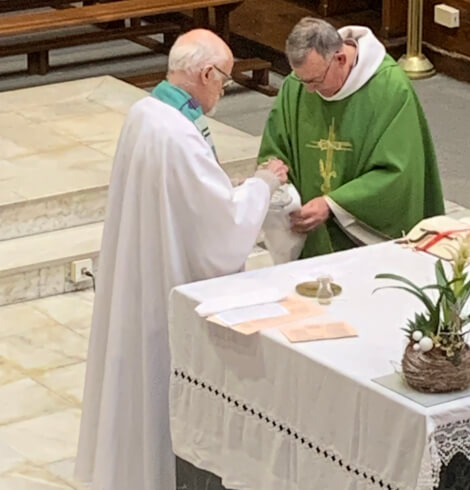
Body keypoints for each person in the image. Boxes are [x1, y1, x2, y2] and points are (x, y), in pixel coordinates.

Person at [75, 29, 287, 490]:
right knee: (158, 387)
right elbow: (222, 227)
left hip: (141, 272)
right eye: (224, 80)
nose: (223, 90)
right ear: (206, 73)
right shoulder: (179, 136)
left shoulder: (145, 112)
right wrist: (263, 183)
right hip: (164, 285)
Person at [258, 17, 444, 258]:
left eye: (315, 80)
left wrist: (332, 204)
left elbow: (399, 173)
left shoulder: (390, 88)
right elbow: (276, 149)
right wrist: (273, 178)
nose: (310, 91)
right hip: (309, 240)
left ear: (340, 59)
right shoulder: (298, 85)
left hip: (367, 247)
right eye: (303, 81)